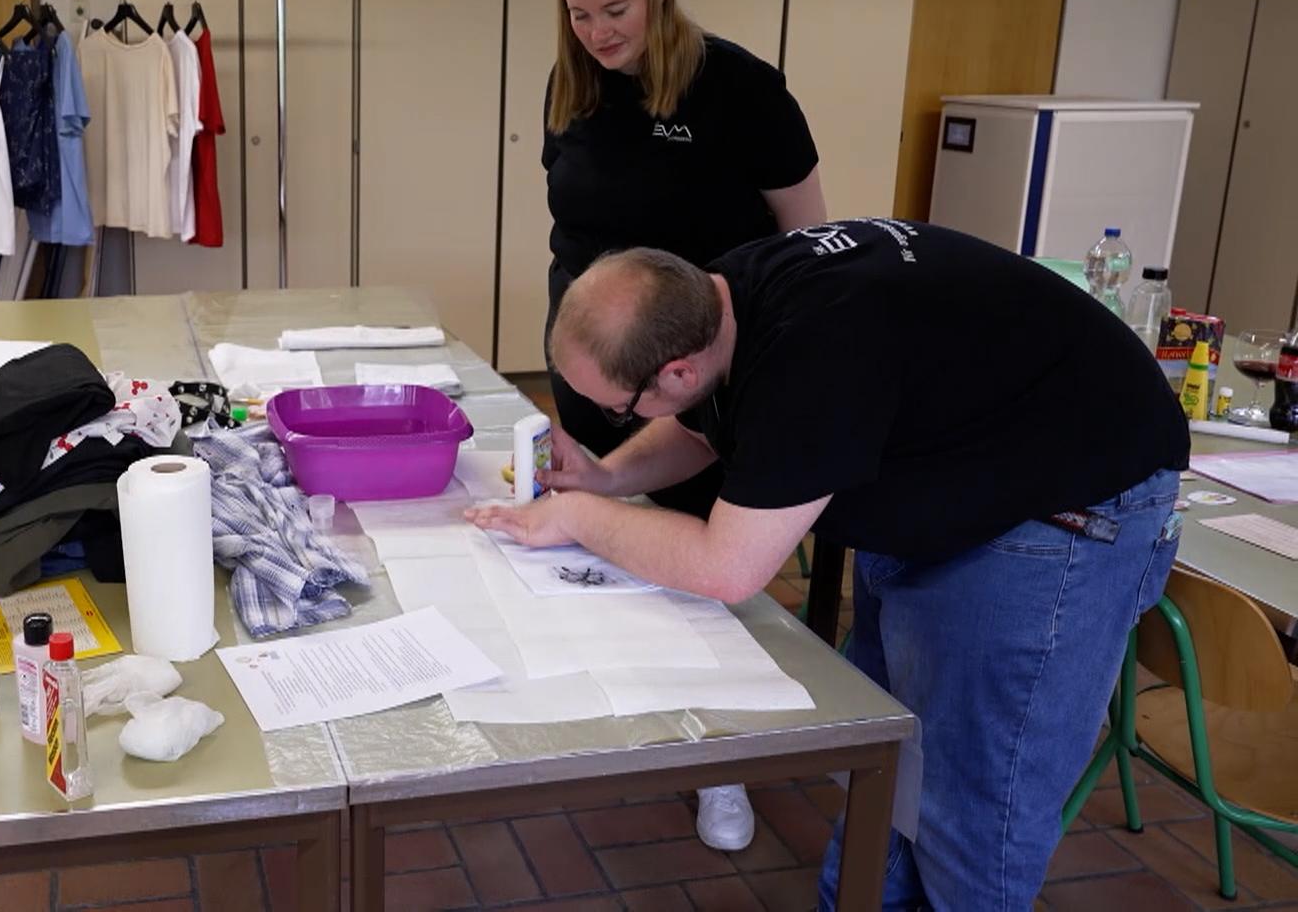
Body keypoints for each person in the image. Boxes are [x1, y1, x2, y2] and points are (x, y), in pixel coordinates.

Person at [470, 219, 1189, 909]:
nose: (622, 422)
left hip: (1061, 512)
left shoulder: (813, 355)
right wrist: (603, 477)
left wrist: (576, 518)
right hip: (956, 479)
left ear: (678, 369)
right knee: (896, 773)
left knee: (974, 814)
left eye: (619, 410)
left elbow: (728, 567)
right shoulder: (721, 297)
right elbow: (703, 425)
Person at [543, 0, 827, 849]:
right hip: (598, 363)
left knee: (710, 565)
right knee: (608, 543)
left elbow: (808, 243)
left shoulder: (739, 88)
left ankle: (723, 761)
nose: (599, 32)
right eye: (580, 15)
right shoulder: (573, 88)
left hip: (704, 371)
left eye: (615, 8)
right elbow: (573, 232)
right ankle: (623, 710)